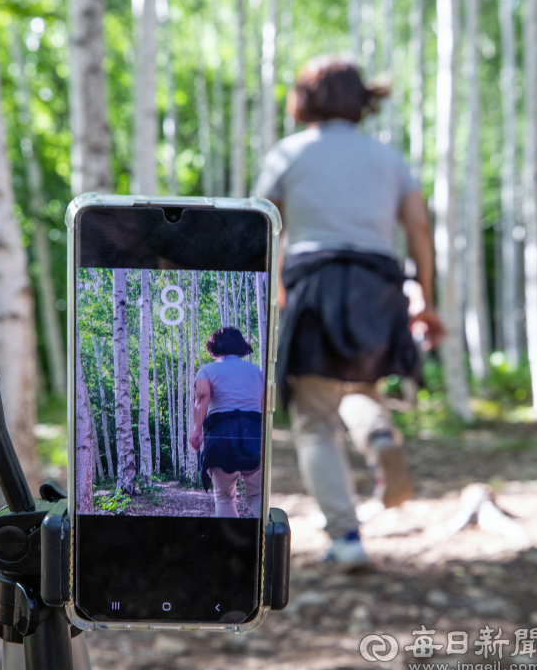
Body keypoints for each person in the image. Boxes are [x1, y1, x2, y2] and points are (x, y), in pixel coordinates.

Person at [254, 55, 444, 568]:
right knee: (360, 388)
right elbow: (419, 230)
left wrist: (268, 292)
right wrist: (423, 297)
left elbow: (258, 226)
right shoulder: (387, 158)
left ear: (305, 99)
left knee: (315, 417)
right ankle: (379, 437)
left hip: (313, 282)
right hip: (379, 282)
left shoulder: (289, 153)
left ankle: (347, 539)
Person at [189, 327, 264, 518]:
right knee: (256, 495)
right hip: (254, 434)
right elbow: (263, 407)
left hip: (221, 435)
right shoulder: (257, 372)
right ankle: (268, 535)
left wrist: (196, 431)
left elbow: (202, 398)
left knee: (224, 496)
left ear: (213, 347)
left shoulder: (207, 370)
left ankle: (227, 545)